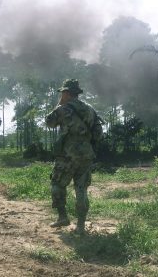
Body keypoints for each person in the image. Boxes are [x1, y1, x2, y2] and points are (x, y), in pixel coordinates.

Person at [46, 79, 102, 234]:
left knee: (57, 184)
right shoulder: (90, 110)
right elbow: (98, 133)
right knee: (81, 189)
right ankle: (81, 226)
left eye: (63, 93)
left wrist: (59, 104)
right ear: (77, 93)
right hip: (86, 155)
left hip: (67, 156)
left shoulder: (63, 109)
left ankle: (63, 217)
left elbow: (49, 122)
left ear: (66, 93)